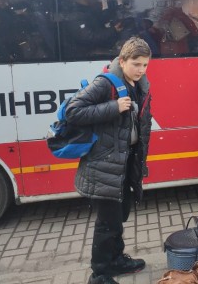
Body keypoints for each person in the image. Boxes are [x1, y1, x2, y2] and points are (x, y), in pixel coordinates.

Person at [66, 37, 153, 284]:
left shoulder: (140, 84)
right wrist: (113, 107)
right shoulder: (105, 84)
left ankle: (116, 259)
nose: (141, 70)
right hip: (104, 165)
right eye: (136, 64)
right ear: (122, 61)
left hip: (125, 163)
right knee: (107, 223)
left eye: (145, 65)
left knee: (119, 216)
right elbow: (74, 111)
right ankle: (100, 274)